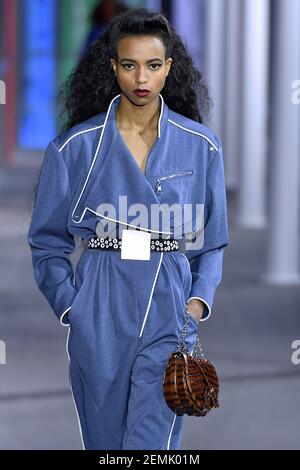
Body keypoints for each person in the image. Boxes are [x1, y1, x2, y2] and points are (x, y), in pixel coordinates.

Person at [27, 8, 229, 450]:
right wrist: (72, 307)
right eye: (129, 64)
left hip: (169, 307)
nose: (142, 77)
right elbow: (46, 240)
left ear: (169, 68)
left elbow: (211, 241)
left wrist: (196, 303)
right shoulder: (74, 148)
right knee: (105, 441)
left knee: (150, 445)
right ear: (112, 67)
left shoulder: (200, 146)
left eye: (153, 65)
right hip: (101, 303)